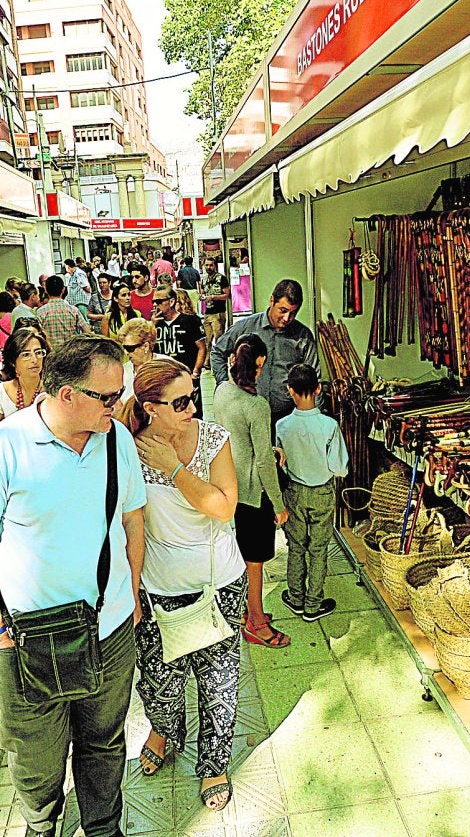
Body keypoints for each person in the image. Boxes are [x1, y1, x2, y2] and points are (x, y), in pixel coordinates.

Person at [0, 335, 145, 837]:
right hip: (26, 639)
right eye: (107, 397)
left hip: (108, 629)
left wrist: (134, 594)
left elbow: (132, 520)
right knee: (37, 756)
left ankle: (104, 827)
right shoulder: (8, 445)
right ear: (66, 395)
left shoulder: (116, 441)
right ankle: (43, 826)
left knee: (103, 742)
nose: (119, 405)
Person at [117, 359, 246, 811]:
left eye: (193, 396)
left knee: (219, 682)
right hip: (157, 589)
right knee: (159, 681)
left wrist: (174, 468)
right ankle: (164, 729)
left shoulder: (213, 440)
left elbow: (224, 506)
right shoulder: (128, 448)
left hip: (218, 584)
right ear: (150, 408)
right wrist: (129, 591)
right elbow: (126, 523)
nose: (192, 407)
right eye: (181, 402)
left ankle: (214, 763)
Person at [214, 334, 290, 647]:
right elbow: (262, 465)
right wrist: (279, 503)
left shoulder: (222, 390)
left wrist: (267, 448)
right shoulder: (257, 405)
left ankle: (251, 610)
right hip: (255, 492)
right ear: (258, 367)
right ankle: (256, 622)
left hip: (232, 483)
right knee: (256, 561)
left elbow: (238, 439)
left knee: (248, 556)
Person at [276, 364, 349, 621]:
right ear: (318, 389)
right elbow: (339, 468)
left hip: (294, 492)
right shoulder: (329, 426)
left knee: (296, 546)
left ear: (290, 390)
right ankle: (313, 604)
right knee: (318, 549)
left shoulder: (282, 426)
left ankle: (295, 597)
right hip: (322, 493)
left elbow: (280, 462)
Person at [211, 279, 323, 426]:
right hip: (249, 413)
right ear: (272, 301)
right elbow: (217, 351)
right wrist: (225, 385)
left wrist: (316, 418)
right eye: (283, 311)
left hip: (287, 416)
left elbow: (314, 377)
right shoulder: (246, 327)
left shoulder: (303, 336)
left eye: (293, 313)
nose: (287, 318)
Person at [152, 286, 206, 418]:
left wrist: (195, 372)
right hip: (165, 378)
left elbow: (202, 347)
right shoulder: (155, 324)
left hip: (187, 375)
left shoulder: (191, 321)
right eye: (154, 301)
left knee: (193, 412)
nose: (155, 305)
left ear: (171, 302)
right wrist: (152, 325)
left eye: (159, 301)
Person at [0, 327, 48, 420]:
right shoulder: (2, 392)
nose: (34, 360)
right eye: (26, 354)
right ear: (12, 361)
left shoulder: (52, 390)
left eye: (38, 352)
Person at [117, 318, 168, 403]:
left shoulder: (166, 365)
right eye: (124, 347)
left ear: (146, 346)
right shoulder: (121, 371)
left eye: (130, 348)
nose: (126, 352)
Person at [37, 275, 91, 347]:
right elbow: (87, 332)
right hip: (70, 352)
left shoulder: (41, 312)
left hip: (51, 354)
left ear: (46, 290)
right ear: (63, 290)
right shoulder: (74, 310)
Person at [200, 258, 230, 369]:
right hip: (208, 313)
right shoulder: (204, 279)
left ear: (215, 266)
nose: (208, 267)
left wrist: (213, 297)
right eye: (206, 265)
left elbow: (227, 295)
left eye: (211, 265)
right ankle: (207, 362)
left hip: (218, 312)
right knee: (207, 340)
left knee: (219, 339)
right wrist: (202, 297)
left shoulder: (221, 278)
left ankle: (220, 362)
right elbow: (202, 292)